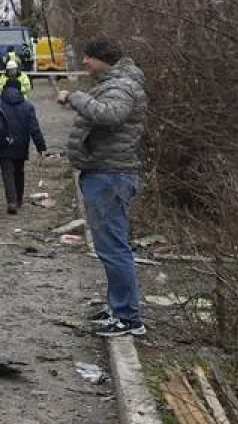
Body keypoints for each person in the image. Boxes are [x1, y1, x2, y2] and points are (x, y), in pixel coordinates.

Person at [59, 37, 148, 338]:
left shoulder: (122, 86)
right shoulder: (118, 83)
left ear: (102, 58)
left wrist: (76, 98)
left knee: (113, 248)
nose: (84, 62)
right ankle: (118, 307)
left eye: (89, 57)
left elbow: (111, 115)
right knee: (110, 247)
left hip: (110, 175)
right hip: (105, 172)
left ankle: (127, 318)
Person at [0, 81, 46, 213]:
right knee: (19, 171)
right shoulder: (28, 106)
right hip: (21, 144)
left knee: (7, 173)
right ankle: (19, 199)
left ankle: (11, 201)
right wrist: (41, 146)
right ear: (20, 90)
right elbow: (34, 128)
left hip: (2, 143)